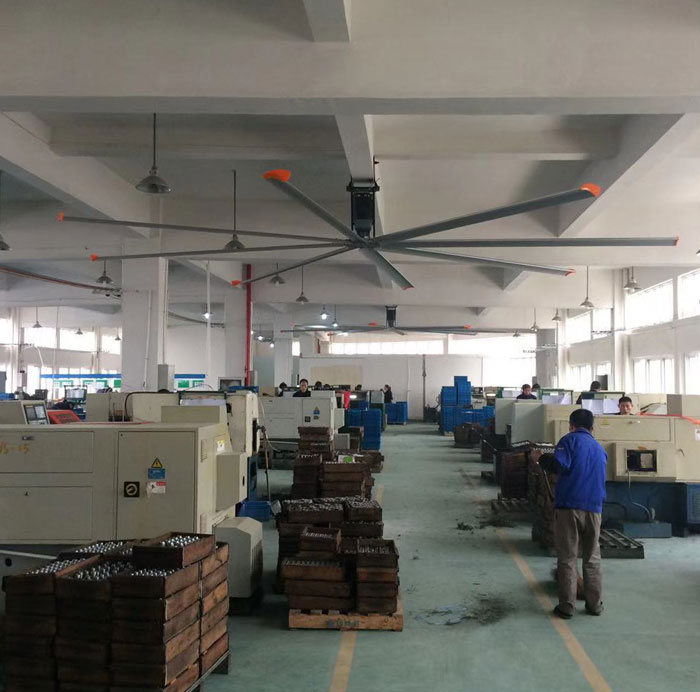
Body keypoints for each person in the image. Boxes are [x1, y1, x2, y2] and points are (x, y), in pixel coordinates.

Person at [544, 409, 607, 619]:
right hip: (595, 508)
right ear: (592, 428)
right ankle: (594, 605)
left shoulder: (568, 440)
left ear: (571, 425)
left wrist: (542, 459)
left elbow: (560, 465)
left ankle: (567, 606)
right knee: (592, 557)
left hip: (569, 506)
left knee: (568, 556)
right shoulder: (599, 448)